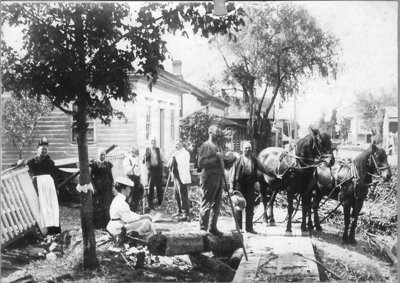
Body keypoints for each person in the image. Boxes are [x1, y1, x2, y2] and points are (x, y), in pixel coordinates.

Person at [198, 125, 236, 236]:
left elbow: (223, 161)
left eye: (218, 132)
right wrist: (216, 158)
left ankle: (212, 228)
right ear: (210, 132)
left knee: (217, 204)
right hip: (209, 177)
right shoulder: (206, 146)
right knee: (207, 204)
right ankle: (203, 230)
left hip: (219, 177)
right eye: (215, 132)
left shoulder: (218, 146)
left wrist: (229, 160)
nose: (218, 134)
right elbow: (201, 163)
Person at [26, 137, 61, 235]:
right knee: (39, 206)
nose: (44, 151)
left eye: (46, 149)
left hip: (49, 187)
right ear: (38, 149)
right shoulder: (32, 161)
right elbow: (27, 170)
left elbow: (55, 176)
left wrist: (56, 188)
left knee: (50, 206)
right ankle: (40, 229)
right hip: (37, 186)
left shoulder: (50, 162)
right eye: (42, 149)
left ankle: (53, 230)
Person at [231, 141, 268, 233]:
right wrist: (232, 187)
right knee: (239, 206)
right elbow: (232, 173)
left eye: (249, 148)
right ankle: (239, 228)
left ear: (251, 149)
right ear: (242, 149)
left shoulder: (254, 160)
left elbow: (263, 168)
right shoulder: (238, 159)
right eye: (246, 148)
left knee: (250, 207)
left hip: (250, 184)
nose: (247, 150)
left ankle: (249, 228)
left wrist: (274, 174)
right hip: (240, 185)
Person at [107, 177, 156, 241]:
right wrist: (144, 217)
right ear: (124, 189)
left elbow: (129, 215)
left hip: (116, 225)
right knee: (146, 223)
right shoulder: (121, 202)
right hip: (118, 228)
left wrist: (143, 216)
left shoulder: (118, 199)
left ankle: (150, 239)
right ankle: (154, 241)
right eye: (129, 188)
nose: (130, 190)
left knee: (145, 222)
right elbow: (129, 219)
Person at [167, 140, 191, 221]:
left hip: (182, 177)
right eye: (175, 144)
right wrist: (173, 157)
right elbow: (169, 163)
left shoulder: (185, 153)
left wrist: (175, 158)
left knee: (183, 195)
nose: (175, 146)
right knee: (176, 195)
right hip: (176, 176)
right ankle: (179, 211)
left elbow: (182, 164)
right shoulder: (176, 152)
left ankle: (185, 214)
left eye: (177, 144)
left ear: (181, 144)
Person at [90, 148, 114, 229]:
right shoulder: (94, 164)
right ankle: (98, 225)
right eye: (101, 155)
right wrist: (93, 187)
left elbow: (111, 176)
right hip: (98, 187)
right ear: (98, 155)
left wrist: (112, 185)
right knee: (98, 205)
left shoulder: (108, 164)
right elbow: (91, 177)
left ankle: (106, 224)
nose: (103, 156)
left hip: (107, 187)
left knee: (107, 204)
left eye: (104, 154)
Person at [123, 146, 144, 212]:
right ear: (132, 152)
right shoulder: (127, 159)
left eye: (138, 152)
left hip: (137, 179)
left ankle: (135, 210)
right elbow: (126, 171)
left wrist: (140, 179)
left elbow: (140, 170)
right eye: (136, 152)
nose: (138, 153)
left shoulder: (137, 159)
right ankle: (130, 211)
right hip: (130, 179)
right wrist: (133, 165)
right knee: (130, 196)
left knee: (137, 196)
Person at [144, 136, 164, 209]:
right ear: (150, 142)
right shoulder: (147, 150)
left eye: (154, 141)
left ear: (156, 142)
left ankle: (160, 202)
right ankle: (150, 204)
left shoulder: (159, 150)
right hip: (151, 170)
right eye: (152, 141)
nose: (153, 143)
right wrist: (147, 167)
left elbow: (162, 160)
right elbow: (144, 161)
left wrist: (163, 171)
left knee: (159, 186)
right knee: (150, 187)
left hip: (158, 169)